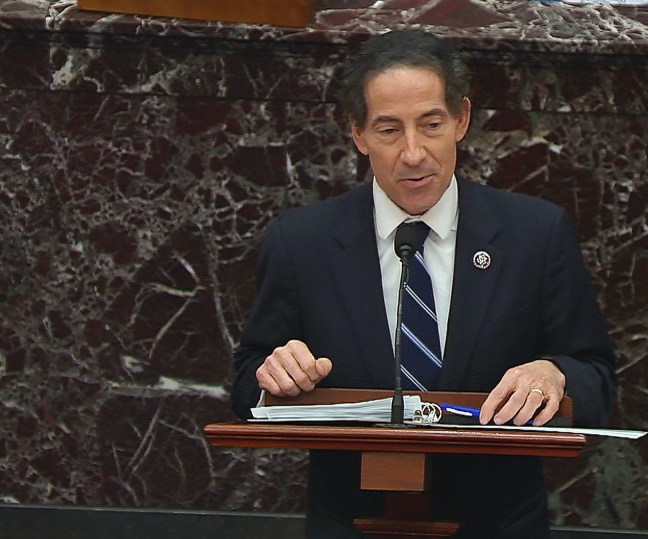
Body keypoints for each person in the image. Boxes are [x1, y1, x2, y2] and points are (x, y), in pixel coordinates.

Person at [231, 29, 618, 539]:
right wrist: (274, 373)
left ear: (461, 119)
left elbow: (597, 377)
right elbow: (244, 387)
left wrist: (553, 373)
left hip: (499, 523)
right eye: (389, 130)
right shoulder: (303, 242)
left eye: (431, 124)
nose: (414, 153)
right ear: (358, 134)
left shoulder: (534, 234)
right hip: (353, 521)